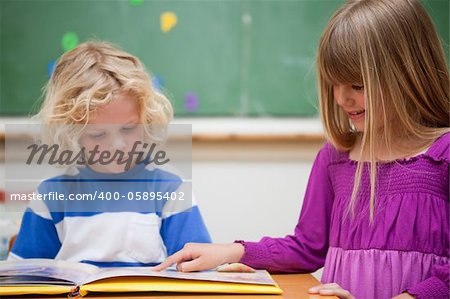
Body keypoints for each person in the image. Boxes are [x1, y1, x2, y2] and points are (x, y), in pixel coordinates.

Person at [154, 0, 449, 298]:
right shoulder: (335, 158)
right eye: (335, 84)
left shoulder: (444, 156)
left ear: (409, 73)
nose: (342, 99)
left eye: (357, 86)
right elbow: (308, 248)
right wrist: (232, 252)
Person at [9, 41, 211, 267]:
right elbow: (23, 278)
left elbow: (200, 273)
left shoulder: (171, 190)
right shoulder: (51, 196)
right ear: (71, 132)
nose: (118, 145)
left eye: (128, 128)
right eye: (98, 135)